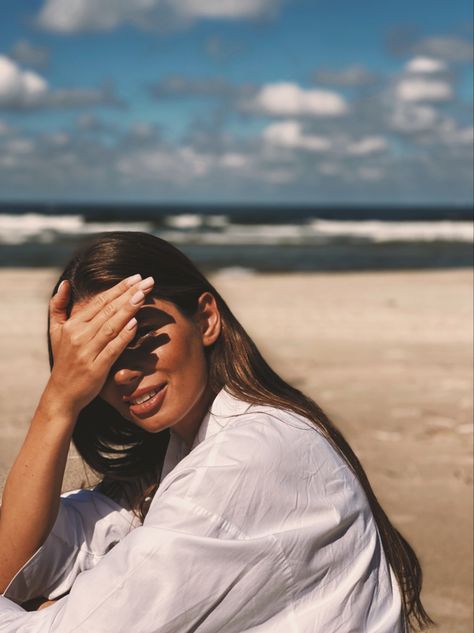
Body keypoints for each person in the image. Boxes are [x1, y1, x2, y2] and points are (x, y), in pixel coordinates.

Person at [0, 231, 432, 632]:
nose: (124, 373)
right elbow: (20, 564)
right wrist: (58, 403)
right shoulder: (181, 450)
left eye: (144, 336)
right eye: (99, 357)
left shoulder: (244, 459)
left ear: (207, 319)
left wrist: (55, 610)